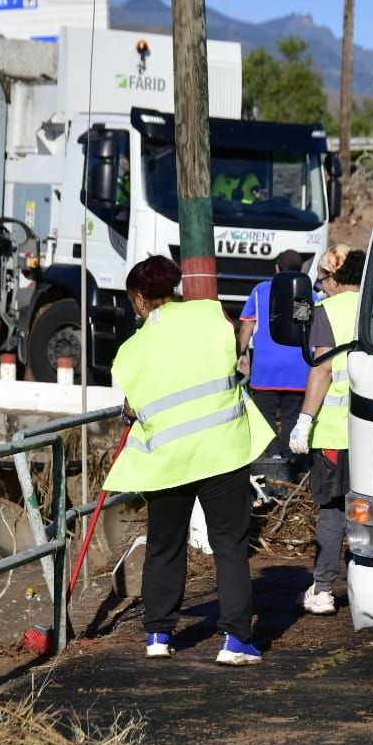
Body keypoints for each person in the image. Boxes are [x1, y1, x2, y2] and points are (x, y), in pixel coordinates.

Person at [104, 256, 275, 665]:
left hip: (168, 460)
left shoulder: (131, 349)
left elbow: (131, 406)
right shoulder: (210, 316)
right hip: (222, 452)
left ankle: (159, 635)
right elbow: (232, 356)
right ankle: (235, 642)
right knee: (229, 546)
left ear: (141, 299)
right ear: (174, 290)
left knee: (165, 545)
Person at [287, 247, 365, 615]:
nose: (319, 284)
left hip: (334, 433)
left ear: (335, 277)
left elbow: (321, 369)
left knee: (333, 510)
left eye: (322, 277)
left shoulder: (326, 312)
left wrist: (303, 421)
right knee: (372, 509)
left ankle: (323, 589)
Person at [237, 249, 311, 462]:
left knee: (264, 418)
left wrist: (240, 353)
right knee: (291, 418)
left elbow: (247, 326)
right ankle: (289, 461)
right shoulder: (305, 292)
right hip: (298, 370)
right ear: (300, 269)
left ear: (276, 268)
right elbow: (304, 326)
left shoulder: (261, 290)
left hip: (266, 370)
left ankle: (273, 456)